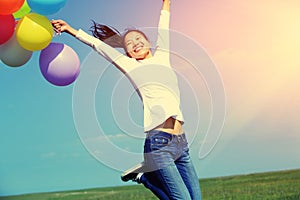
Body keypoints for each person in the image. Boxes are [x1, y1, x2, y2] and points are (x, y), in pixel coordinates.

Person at [52, 0, 202, 199]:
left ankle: (144, 177)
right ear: (128, 53)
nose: (136, 44)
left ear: (148, 41)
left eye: (139, 39)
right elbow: (99, 46)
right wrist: (70, 29)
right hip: (159, 143)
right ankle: (146, 178)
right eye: (130, 44)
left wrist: (166, 3)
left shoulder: (163, 56)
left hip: (182, 143)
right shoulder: (131, 66)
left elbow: (163, 24)